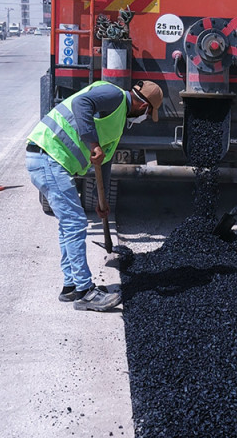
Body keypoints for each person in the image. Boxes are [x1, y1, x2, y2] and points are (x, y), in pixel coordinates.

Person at [26, 79, 163, 312]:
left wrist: (103, 200)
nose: (145, 118)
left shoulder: (118, 122)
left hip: (51, 159)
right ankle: (85, 292)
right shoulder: (114, 95)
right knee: (75, 222)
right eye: (148, 113)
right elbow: (81, 103)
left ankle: (71, 286)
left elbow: (104, 161)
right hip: (48, 154)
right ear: (143, 107)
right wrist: (93, 143)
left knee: (68, 224)